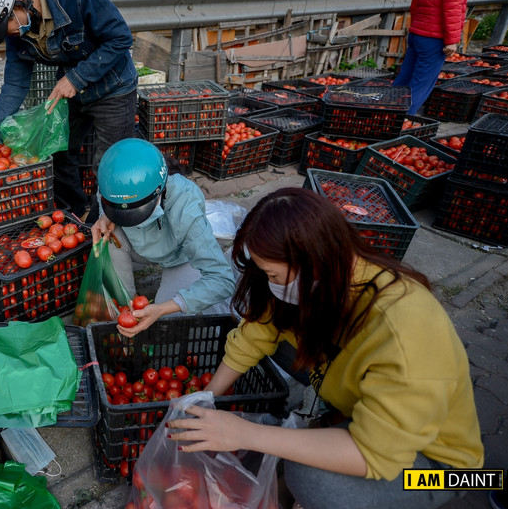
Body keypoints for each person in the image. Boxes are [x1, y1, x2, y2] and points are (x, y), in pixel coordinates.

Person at [166, 188, 484, 509]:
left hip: (441, 468)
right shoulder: (325, 282)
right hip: (369, 419)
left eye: (272, 274)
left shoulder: (404, 330)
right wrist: (207, 398)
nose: (268, 281)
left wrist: (245, 433)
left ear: (311, 261)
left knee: (307, 475)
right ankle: (329, 430)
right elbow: (255, 334)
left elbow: (373, 454)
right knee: (277, 347)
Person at [0, 0, 138, 220]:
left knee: (106, 164)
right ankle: (73, 213)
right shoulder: (17, 34)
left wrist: (76, 78)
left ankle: (102, 224)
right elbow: (15, 82)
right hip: (71, 93)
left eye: (7, 24)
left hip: (114, 88)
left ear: (21, 2)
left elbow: (121, 38)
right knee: (58, 151)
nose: (10, 33)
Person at [89, 138, 236, 336]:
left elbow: (222, 279)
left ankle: (154, 306)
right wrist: (105, 216)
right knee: (110, 235)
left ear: (159, 192)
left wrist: (165, 308)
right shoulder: (111, 188)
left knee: (164, 326)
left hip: (181, 258)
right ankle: (128, 301)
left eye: (137, 211)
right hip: (138, 247)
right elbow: (112, 206)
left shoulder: (186, 205)